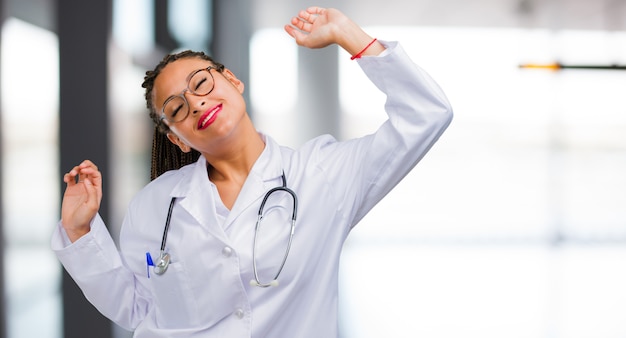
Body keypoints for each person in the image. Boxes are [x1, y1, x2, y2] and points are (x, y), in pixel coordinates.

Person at [52, 6, 453, 337]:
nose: (194, 103)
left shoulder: (322, 175)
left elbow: (425, 116)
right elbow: (138, 307)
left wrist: (351, 36)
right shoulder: (156, 206)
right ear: (178, 139)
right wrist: (79, 232)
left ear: (233, 81)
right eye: (175, 109)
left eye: (201, 83)